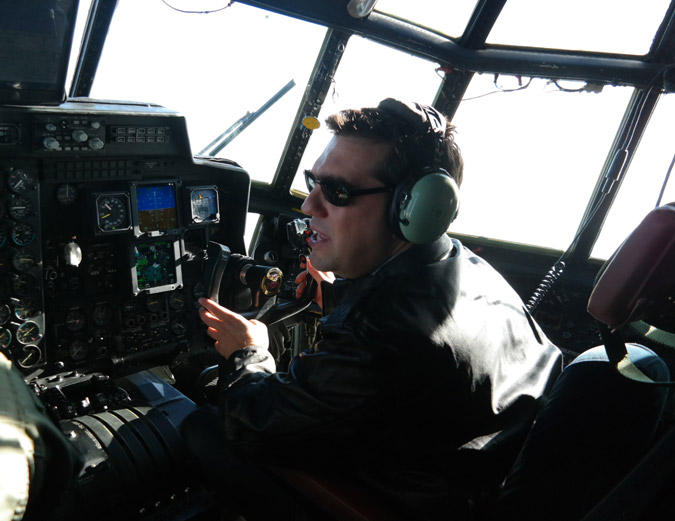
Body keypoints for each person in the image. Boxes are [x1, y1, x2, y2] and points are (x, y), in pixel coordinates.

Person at [191, 98, 563, 520]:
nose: (309, 206)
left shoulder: (380, 334)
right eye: (313, 182)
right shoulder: (471, 270)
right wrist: (342, 297)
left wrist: (249, 352)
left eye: (337, 191)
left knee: (201, 426)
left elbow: (251, 424)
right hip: (484, 477)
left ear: (414, 207)